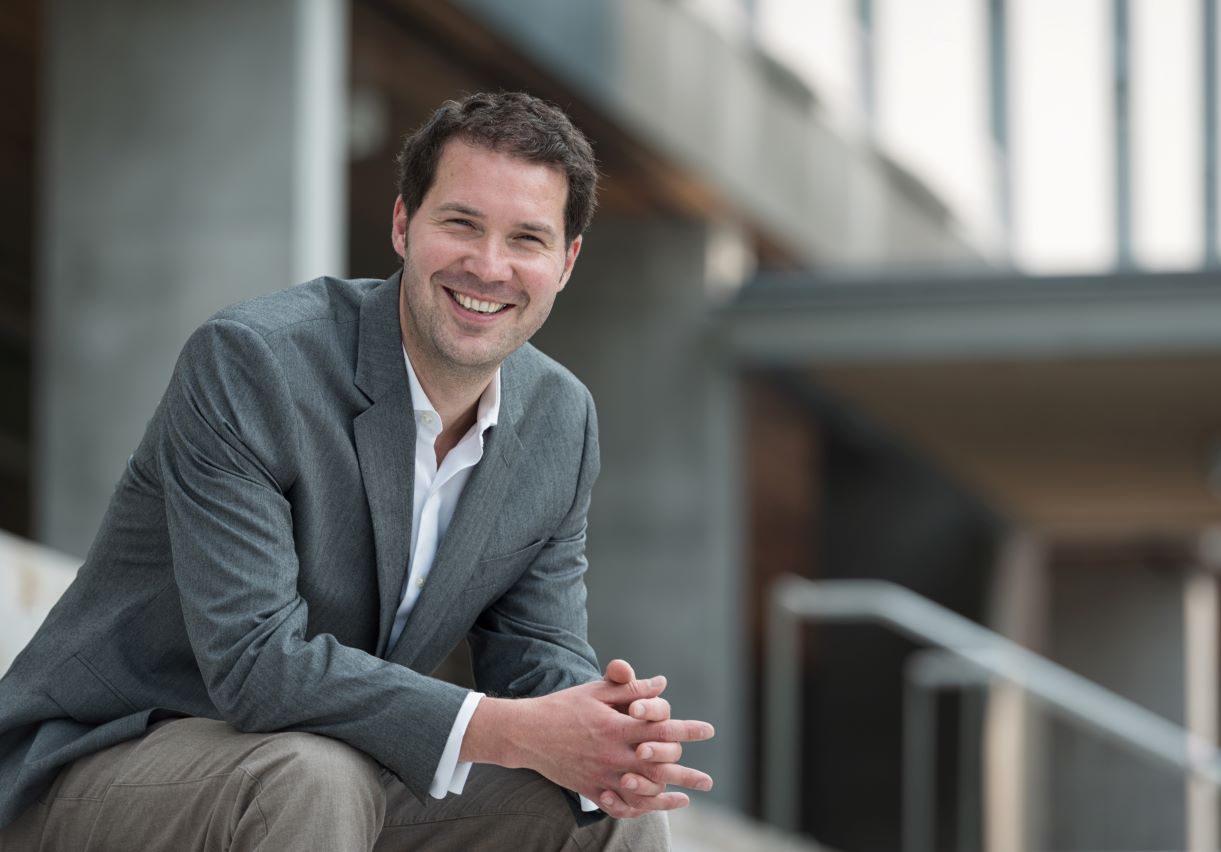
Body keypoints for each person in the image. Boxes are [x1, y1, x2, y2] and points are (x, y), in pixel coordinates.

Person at [0, 91, 714, 850]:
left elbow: (535, 653)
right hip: (102, 762)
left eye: (527, 239)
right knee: (313, 776)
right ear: (404, 225)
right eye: (462, 223)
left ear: (565, 263)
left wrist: (605, 733)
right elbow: (254, 665)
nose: (489, 266)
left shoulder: (560, 422)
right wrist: (508, 729)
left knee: (606, 817)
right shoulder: (255, 364)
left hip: (328, 761)